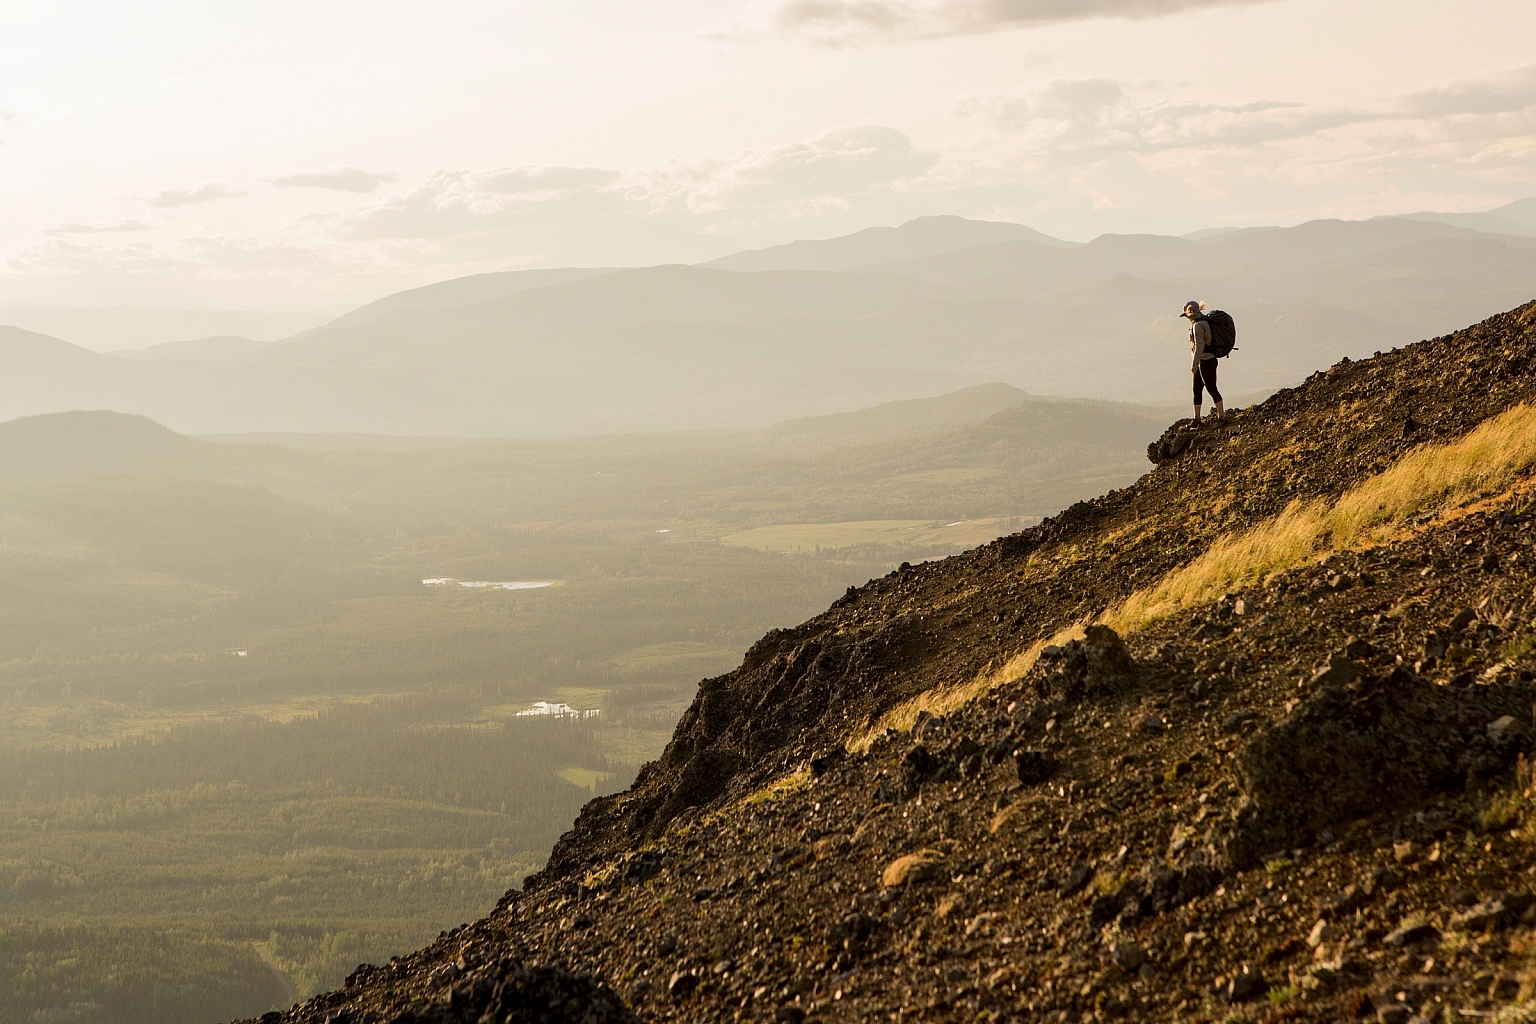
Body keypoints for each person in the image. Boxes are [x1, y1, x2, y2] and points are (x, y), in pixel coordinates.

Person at [1182, 300, 1224, 427]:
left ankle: (1221, 417)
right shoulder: (1204, 322)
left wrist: (1194, 364)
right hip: (1207, 360)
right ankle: (1197, 418)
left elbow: (1200, 346)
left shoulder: (1197, 326)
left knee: (1211, 388)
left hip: (1205, 361)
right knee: (1197, 389)